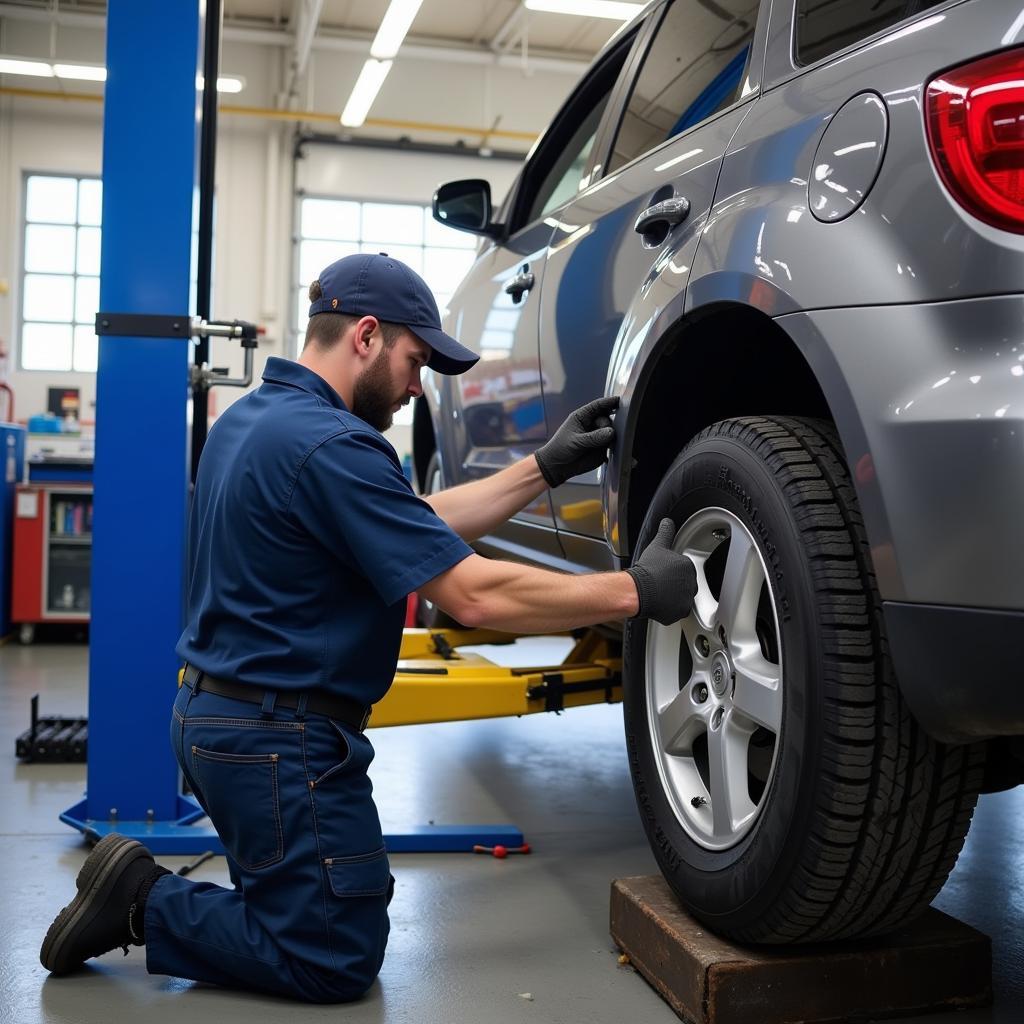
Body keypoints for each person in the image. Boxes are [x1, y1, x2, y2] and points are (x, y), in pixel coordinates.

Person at [40, 253, 697, 1002]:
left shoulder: (255, 419)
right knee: (333, 955)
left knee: (347, 900)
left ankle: (195, 898)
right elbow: (474, 595)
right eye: (417, 360)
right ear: (367, 336)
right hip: (275, 746)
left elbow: (407, 525)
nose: (419, 385)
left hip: (217, 722)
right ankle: (140, 899)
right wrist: (636, 591)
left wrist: (542, 468)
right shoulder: (336, 445)